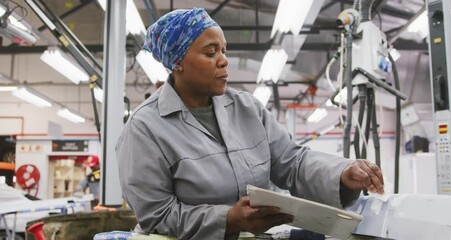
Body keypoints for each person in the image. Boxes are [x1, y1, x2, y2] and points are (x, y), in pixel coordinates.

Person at [116, 8, 384, 240]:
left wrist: (341, 173)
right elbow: (156, 215)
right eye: (210, 53)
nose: (224, 60)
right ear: (178, 64)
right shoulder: (145, 129)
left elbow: (293, 162)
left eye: (223, 50)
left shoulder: (246, 108)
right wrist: (229, 219)